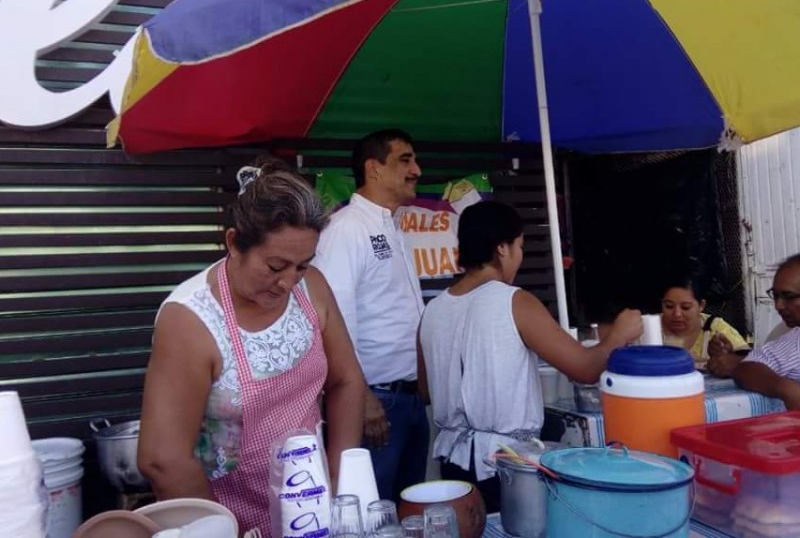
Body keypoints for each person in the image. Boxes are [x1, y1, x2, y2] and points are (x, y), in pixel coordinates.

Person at [137, 158, 365, 534]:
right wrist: (218, 530)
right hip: (227, 514)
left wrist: (340, 485)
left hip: (310, 507)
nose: (289, 282)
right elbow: (163, 459)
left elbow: (347, 381)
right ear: (233, 243)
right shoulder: (191, 319)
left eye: (302, 265)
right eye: (276, 266)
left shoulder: (313, 288)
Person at [418, 201, 643, 513]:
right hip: (505, 464)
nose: (520, 257)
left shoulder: (432, 310)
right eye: (520, 246)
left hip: (451, 462)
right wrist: (619, 335)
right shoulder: (514, 301)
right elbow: (584, 369)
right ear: (502, 248)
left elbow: (426, 390)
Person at [314, 129, 428, 501]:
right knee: (371, 514)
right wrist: (361, 399)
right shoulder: (346, 229)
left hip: (409, 401)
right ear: (373, 169)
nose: (417, 170)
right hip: (376, 402)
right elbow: (333, 322)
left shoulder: (392, 227)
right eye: (405, 160)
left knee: (409, 513)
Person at [733, 253, 800, 409]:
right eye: (775, 296)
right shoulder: (794, 344)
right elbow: (746, 368)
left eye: (788, 296)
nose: (778, 306)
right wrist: (787, 390)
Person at [660, 277, 749, 377]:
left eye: (686, 307)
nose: (677, 314)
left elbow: (751, 363)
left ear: (701, 305)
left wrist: (731, 357)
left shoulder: (715, 328)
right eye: (669, 306)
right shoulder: (647, 329)